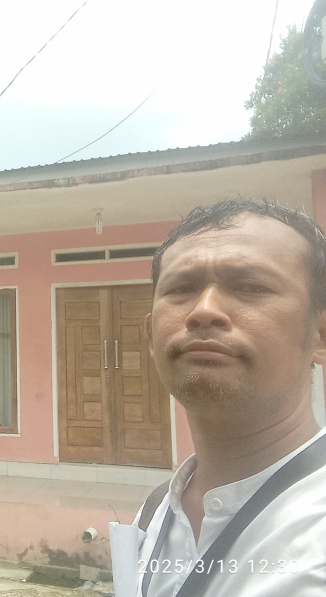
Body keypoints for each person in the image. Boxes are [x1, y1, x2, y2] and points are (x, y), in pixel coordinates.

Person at [131, 199, 326, 596]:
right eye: (181, 289)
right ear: (150, 336)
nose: (204, 311)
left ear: (320, 336)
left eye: (251, 287)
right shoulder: (153, 516)